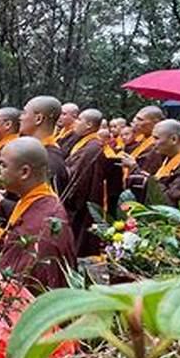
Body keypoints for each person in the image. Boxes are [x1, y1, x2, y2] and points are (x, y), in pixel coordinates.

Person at [0, 138, 76, 292]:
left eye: (3, 165)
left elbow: (24, 281)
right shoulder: (33, 200)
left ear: (25, 172)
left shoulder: (42, 223)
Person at [61, 108, 122, 257]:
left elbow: (79, 176)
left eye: (79, 119)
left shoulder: (93, 147)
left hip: (84, 202)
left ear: (88, 125)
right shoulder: (84, 142)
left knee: (81, 242)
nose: (76, 123)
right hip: (81, 199)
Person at [129, 119, 180, 206]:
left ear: (174, 139)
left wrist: (150, 182)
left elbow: (172, 204)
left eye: (156, 138)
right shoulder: (167, 157)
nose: (153, 143)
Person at [18, 96, 69, 194]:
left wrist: (2, 202)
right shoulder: (37, 152)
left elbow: (46, 206)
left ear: (38, 119)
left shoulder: (50, 160)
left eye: (24, 113)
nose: (20, 118)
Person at [121, 106, 165, 175]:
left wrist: (133, 166)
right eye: (135, 118)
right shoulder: (141, 138)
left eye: (140, 119)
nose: (134, 121)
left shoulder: (157, 145)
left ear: (156, 123)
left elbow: (148, 174)